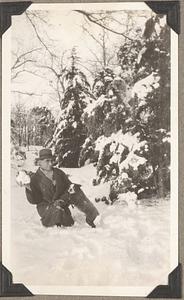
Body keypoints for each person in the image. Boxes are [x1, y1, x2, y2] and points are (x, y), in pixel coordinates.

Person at [25, 148, 99, 228]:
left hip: (61, 203)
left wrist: (65, 197)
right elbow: (35, 200)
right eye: (47, 161)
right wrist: (28, 187)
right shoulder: (35, 178)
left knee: (76, 190)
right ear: (39, 162)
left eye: (51, 161)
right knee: (63, 219)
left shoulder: (58, 173)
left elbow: (69, 186)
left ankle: (94, 216)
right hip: (47, 208)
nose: (50, 164)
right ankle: (55, 221)